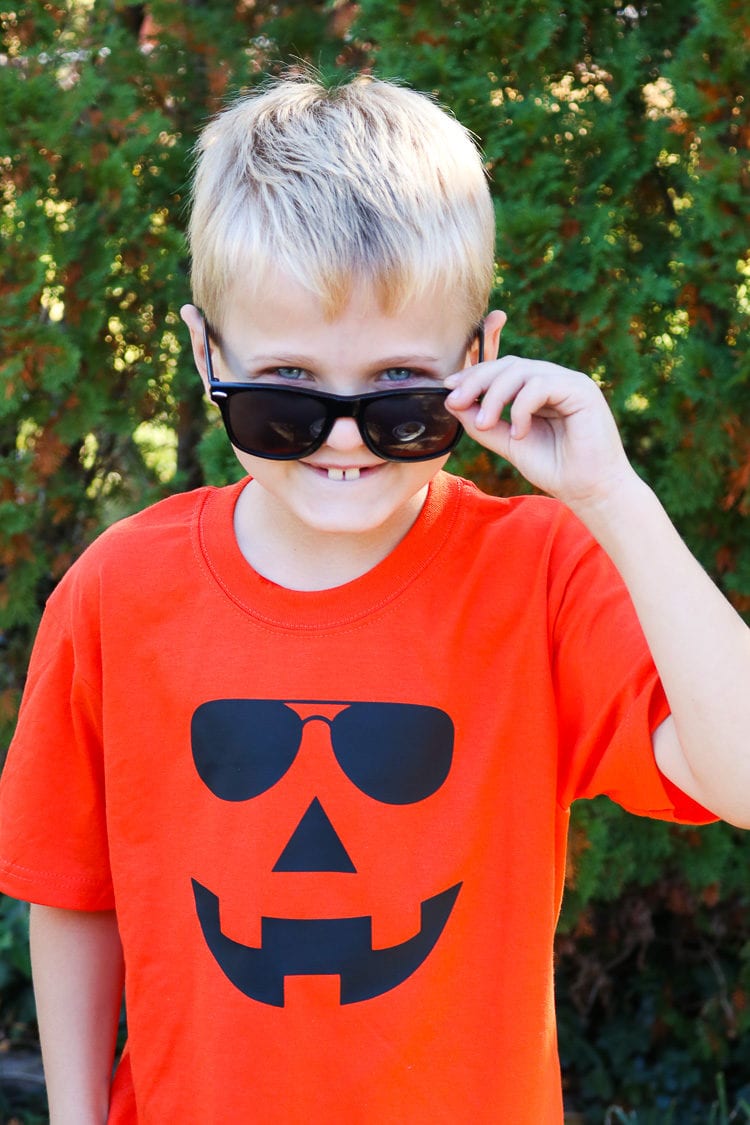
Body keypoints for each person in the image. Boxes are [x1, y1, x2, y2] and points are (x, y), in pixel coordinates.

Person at [0, 73, 748, 1125]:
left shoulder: (537, 574)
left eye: (400, 396)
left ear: (479, 360)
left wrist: (612, 499)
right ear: (207, 353)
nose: (345, 441)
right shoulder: (121, 592)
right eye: (285, 397)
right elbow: (74, 893)